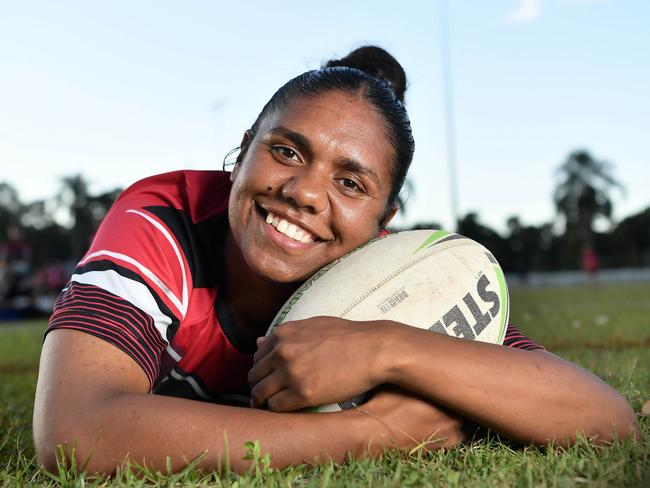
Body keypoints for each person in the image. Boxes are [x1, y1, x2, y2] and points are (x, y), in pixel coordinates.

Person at [33, 46, 638, 475]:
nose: (304, 192)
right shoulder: (166, 219)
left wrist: (386, 348)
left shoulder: (394, 276)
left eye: (351, 184)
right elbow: (76, 432)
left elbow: (605, 420)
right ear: (242, 150)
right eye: (286, 150)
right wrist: (368, 434)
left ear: (385, 222)